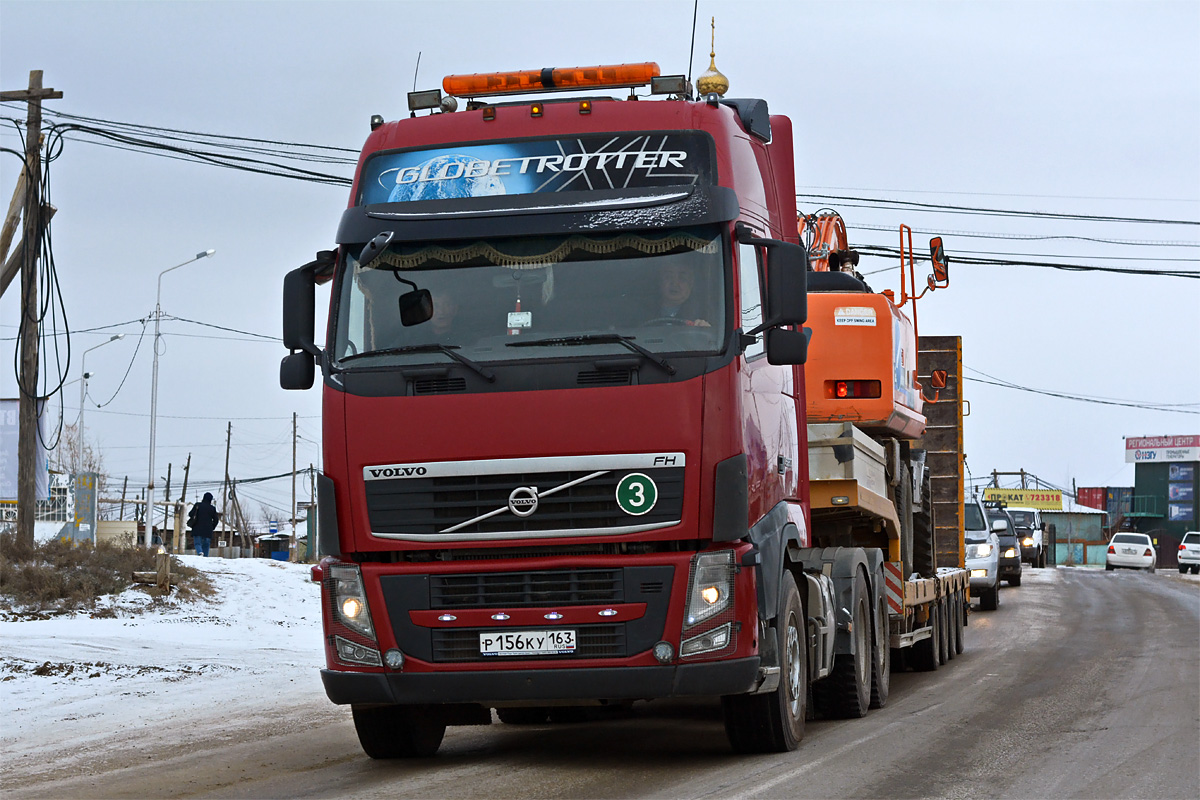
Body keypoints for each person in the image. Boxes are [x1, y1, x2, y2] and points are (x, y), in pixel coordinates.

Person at [651, 262, 710, 327]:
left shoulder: (703, 313)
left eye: (682, 278)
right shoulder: (643, 311)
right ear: (660, 282)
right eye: (668, 277)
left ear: (691, 284)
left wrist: (705, 329)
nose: (675, 283)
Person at [188, 492, 220, 557]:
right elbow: (216, 520)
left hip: (197, 529)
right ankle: (205, 558)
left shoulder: (198, 505)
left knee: (197, 543)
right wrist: (212, 527)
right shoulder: (212, 508)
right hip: (208, 531)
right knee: (206, 545)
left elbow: (190, 514)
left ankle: (200, 552)